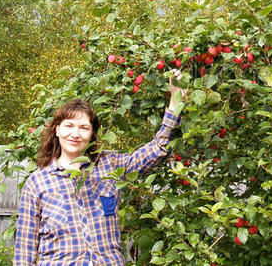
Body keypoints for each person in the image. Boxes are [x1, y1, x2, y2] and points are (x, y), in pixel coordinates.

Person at [14, 75, 186, 265]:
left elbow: (157, 149)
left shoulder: (110, 166)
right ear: (57, 130)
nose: (75, 134)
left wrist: (175, 99)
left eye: (83, 128)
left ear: (91, 134)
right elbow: (24, 250)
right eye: (69, 126)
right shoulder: (38, 183)